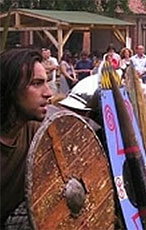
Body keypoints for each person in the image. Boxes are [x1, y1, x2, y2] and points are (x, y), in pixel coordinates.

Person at [0, 48, 53, 229]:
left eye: (46, 83)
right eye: (36, 84)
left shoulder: (35, 133)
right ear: (10, 88)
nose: (48, 93)